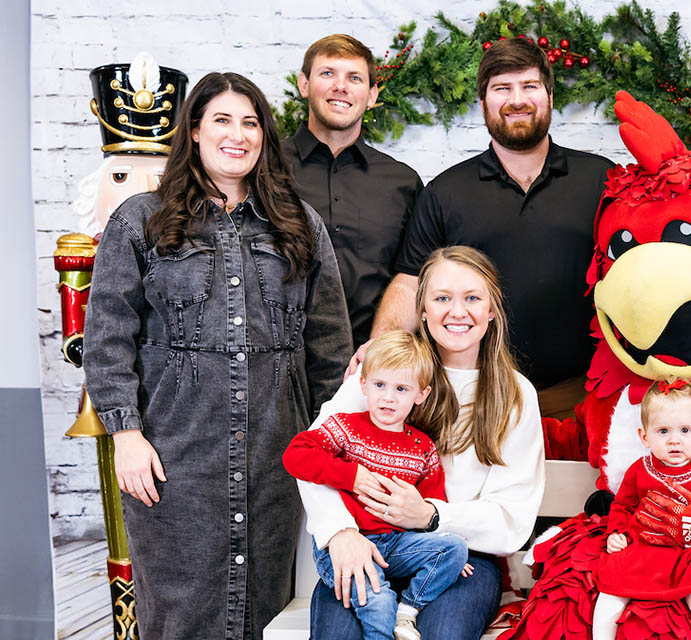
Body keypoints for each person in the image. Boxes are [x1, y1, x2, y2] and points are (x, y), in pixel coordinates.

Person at [82, 72, 353, 640]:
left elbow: (330, 349)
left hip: (277, 458)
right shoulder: (141, 219)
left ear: (264, 138)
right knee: (179, 614)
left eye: (251, 122)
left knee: (271, 611)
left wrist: (335, 451)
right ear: (196, 132)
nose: (238, 135)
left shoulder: (301, 226)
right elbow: (108, 336)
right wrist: (124, 435)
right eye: (223, 120)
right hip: (172, 460)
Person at [300, 246, 545, 640]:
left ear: (492, 310)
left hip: (460, 556)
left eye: (472, 298)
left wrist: (431, 517)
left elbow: (512, 517)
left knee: (442, 635)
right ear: (424, 309)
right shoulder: (384, 371)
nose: (457, 312)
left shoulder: (515, 394)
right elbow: (309, 455)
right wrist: (340, 534)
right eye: (442, 298)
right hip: (365, 543)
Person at [371, 37, 613, 411]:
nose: (517, 100)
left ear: (550, 96)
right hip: (477, 396)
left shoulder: (602, 179)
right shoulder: (444, 192)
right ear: (483, 103)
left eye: (529, 86)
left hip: (583, 394)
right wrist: (382, 351)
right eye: (502, 88)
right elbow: (411, 279)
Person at [284, 330, 470, 640]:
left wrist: (441, 551)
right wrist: (350, 476)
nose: (388, 397)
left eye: (401, 388)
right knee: (379, 601)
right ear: (363, 385)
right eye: (380, 385)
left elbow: (432, 499)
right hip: (346, 549)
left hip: (395, 546)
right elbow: (295, 456)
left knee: (455, 549)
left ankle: (407, 612)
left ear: (420, 395)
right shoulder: (345, 427)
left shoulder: (422, 447)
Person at [284, 34, 423, 349]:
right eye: (328, 73)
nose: (341, 86)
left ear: (372, 95)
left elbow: (415, 279)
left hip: (372, 370)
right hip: (275, 368)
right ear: (303, 85)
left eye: (354, 78)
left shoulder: (403, 183)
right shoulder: (264, 169)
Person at [593, 379, 691, 640]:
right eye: (663, 432)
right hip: (641, 551)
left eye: (684, 430)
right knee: (609, 596)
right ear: (644, 436)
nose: (674, 441)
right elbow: (622, 505)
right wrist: (616, 533)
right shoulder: (639, 469)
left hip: (687, 555)